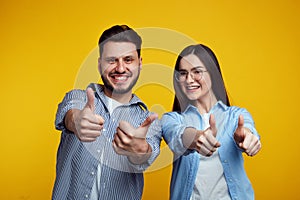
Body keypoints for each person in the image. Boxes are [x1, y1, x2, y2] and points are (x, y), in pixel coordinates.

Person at [52, 25, 162, 200]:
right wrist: (76, 122)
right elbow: (70, 115)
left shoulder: (148, 120)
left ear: (140, 63)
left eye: (128, 60)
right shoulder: (79, 98)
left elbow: (147, 152)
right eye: (111, 60)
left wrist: (139, 150)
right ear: (99, 64)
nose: (120, 68)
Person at [161, 44, 262, 200]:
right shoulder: (172, 119)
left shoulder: (236, 116)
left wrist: (248, 138)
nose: (189, 79)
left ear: (213, 73)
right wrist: (195, 138)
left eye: (197, 72)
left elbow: (247, 128)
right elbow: (176, 134)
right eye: (183, 73)